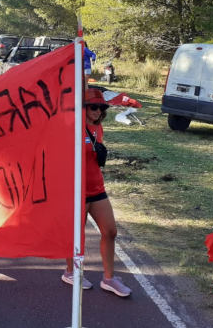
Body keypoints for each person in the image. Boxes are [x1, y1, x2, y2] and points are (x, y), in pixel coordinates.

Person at [62, 88, 131, 298]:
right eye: (92, 106)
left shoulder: (98, 128)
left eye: (101, 107)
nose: (97, 111)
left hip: (97, 189)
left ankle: (109, 279)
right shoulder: (74, 125)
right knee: (77, 236)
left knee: (110, 231)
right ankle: (70, 272)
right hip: (77, 190)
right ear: (83, 107)